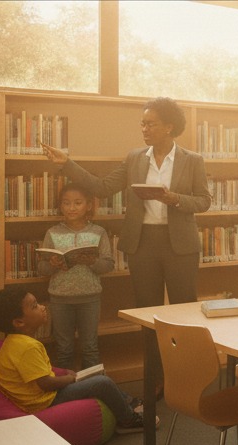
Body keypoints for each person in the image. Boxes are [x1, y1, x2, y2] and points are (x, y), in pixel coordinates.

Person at [41, 97, 212, 308]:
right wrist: (67, 163)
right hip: (143, 242)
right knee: (146, 306)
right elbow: (102, 188)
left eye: (151, 124)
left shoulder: (192, 160)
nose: (144, 129)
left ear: (169, 127)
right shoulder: (135, 158)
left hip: (180, 244)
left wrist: (174, 199)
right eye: (142, 124)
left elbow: (204, 201)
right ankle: (151, 343)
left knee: (184, 306)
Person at [0, 287, 154, 434]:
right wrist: (69, 378)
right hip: (44, 402)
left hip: (41, 396)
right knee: (103, 382)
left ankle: (128, 402)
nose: (43, 307)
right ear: (19, 322)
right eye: (35, 306)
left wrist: (66, 374)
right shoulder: (27, 347)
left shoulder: (14, 342)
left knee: (95, 374)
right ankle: (128, 420)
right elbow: (45, 384)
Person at [37, 183, 114, 370]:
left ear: (88, 205)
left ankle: (93, 391)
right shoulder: (53, 232)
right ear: (60, 206)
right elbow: (41, 267)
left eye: (77, 203)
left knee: (90, 347)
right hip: (60, 298)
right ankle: (67, 393)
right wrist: (53, 265)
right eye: (66, 203)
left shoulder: (98, 232)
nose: (71, 208)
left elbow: (109, 265)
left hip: (90, 298)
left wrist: (90, 262)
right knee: (64, 348)